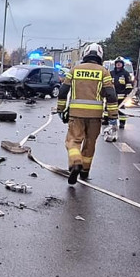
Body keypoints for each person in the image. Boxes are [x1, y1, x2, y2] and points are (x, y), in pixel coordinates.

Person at [56, 43, 118, 185]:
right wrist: (113, 116)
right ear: (100, 55)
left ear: (85, 54)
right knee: (90, 143)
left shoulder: (74, 70)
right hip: (95, 116)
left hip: (76, 115)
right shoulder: (104, 72)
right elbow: (111, 95)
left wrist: (60, 109)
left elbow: (63, 91)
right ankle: (84, 171)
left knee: (73, 141)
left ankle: (75, 162)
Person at [110, 58, 134, 130]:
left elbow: (129, 84)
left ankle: (122, 123)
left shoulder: (126, 73)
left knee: (121, 110)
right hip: (112, 95)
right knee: (110, 109)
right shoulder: (111, 73)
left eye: (120, 63)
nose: (118, 64)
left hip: (121, 96)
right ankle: (109, 121)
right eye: (117, 63)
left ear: (122, 65)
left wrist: (127, 93)